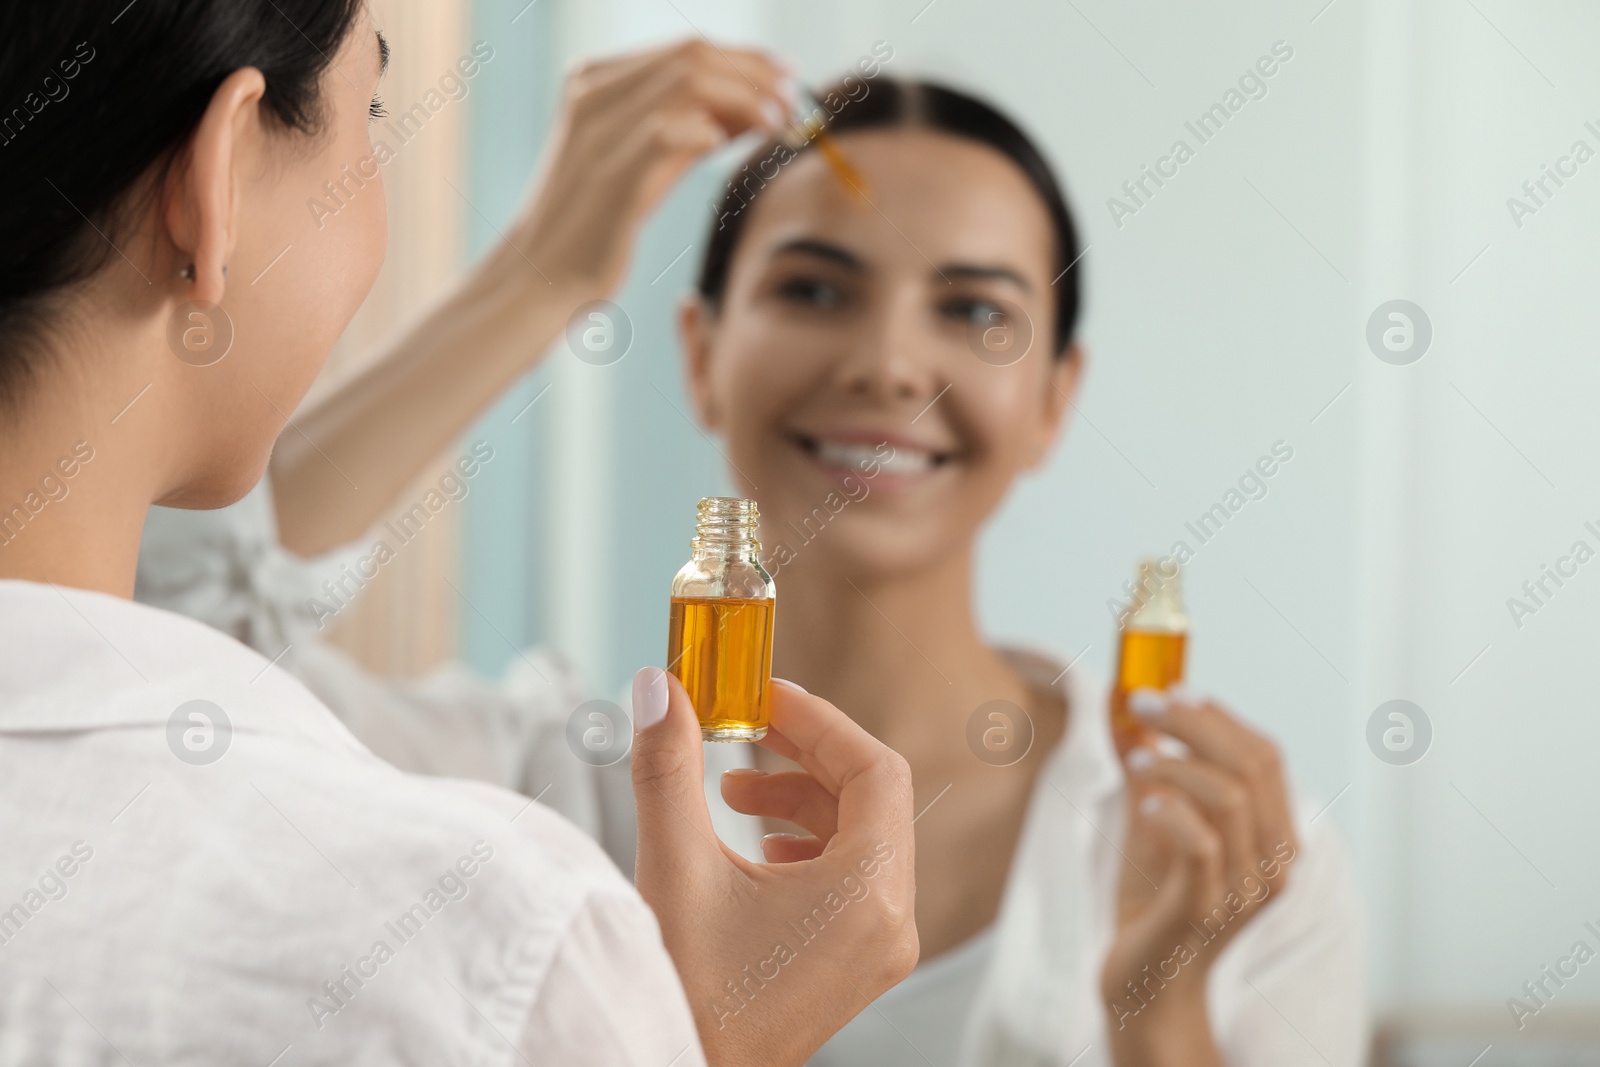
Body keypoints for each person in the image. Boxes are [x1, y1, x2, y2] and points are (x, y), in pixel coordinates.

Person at [0, 5, 917, 1064]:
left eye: (978, 310)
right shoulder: (492, 933)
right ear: (223, 170)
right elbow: (210, 606)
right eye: (373, 112)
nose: (888, 365)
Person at [674, 78, 1367, 1065]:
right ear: (700, 354)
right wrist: (536, 274)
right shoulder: (533, 780)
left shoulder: (1238, 858)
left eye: (975, 312)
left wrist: (1157, 1012)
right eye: (815, 289)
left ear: (1054, 396)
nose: (890, 364)